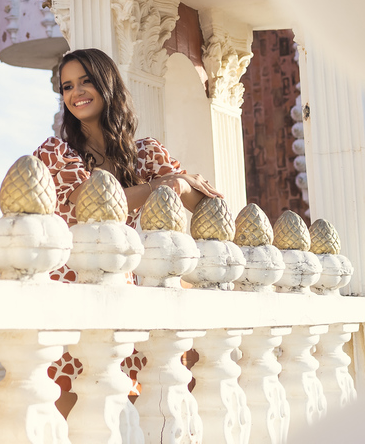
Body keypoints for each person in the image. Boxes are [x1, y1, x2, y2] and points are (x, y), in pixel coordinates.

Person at [33, 47, 223, 417]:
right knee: (76, 421)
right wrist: (166, 184)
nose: (76, 92)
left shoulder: (146, 155)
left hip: (133, 299)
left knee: (140, 417)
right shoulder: (56, 153)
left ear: (108, 84)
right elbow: (95, 200)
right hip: (72, 296)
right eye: (67, 86)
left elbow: (204, 205)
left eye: (85, 81)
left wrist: (180, 184)